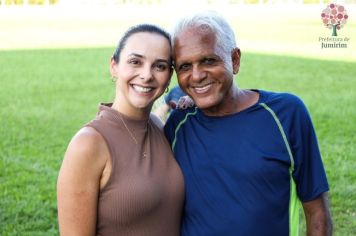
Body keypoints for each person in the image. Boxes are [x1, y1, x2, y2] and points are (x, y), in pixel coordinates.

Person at [164, 11, 332, 236]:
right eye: (185, 66)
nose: (197, 75)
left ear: (234, 60)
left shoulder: (286, 114)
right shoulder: (178, 125)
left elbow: (317, 211)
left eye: (208, 60)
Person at [57, 24, 184, 236]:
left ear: (169, 76)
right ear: (114, 66)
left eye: (159, 66)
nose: (146, 75)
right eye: (135, 62)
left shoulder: (160, 127)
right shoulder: (88, 143)